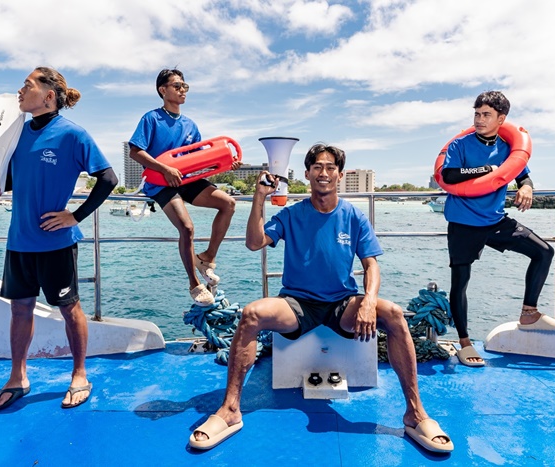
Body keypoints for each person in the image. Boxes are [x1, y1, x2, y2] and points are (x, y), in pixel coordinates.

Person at [188, 144, 454, 453]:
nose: (323, 173)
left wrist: (368, 300)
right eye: (317, 167)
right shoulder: (292, 214)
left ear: (339, 175)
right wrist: (259, 197)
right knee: (251, 314)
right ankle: (231, 409)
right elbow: (254, 242)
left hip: (342, 303)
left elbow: (371, 264)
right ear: (307, 174)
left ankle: (415, 413)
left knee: (393, 314)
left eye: (330, 167)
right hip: (297, 305)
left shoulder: (354, 217)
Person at [0, 66, 118, 410]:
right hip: (19, 241)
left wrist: (74, 216)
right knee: (20, 310)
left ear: (48, 96)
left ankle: (80, 375)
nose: (19, 91)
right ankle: (18, 377)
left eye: (26, 85)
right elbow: (13, 178)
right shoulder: (16, 133)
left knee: (70, 309)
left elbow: (108, 178)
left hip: (55, 242)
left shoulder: (72, 134)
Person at [441, 91, 555, 368]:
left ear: (501, 119)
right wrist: (486, 169)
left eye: (486, 115)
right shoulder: (460, 145)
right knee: (460, 283)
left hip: (495, 221)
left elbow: (522, 173)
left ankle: (529, 313)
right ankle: (464, 342)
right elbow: (448, 175)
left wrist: (527, 186)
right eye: (476, 114)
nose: (479, 119)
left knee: (544, 251)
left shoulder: (509, 147)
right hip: (462, 223)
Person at [128, 69, 242, 306]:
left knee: (228, 203)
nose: (182, 90)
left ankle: (207, 257)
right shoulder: (151, 119)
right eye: (177, 86)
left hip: (187, 180)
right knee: (187, 228)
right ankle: (194, 284)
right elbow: (135, 151)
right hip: (159, 182)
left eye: (185, 86)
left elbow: (201, 160)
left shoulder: (191, 125)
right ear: (163, 90)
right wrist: (164, 170)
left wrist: (227, 164)